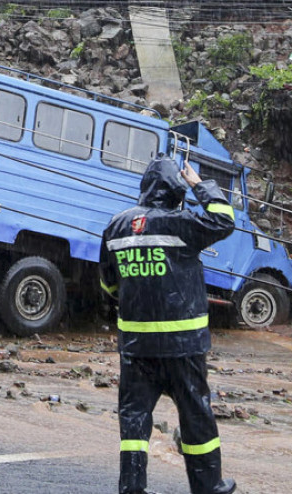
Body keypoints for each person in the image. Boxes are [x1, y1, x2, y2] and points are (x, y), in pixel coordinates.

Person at [99, 155, 237, 494]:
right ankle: (208, 486)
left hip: (136, 348)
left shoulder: (116, 226)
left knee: (134, 419)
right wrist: (199, 185)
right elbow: (224, 221)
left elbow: (108, 285)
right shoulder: (181, 223)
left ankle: (132, 487)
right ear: (176, 191)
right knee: (195, 416)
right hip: (182, 348)